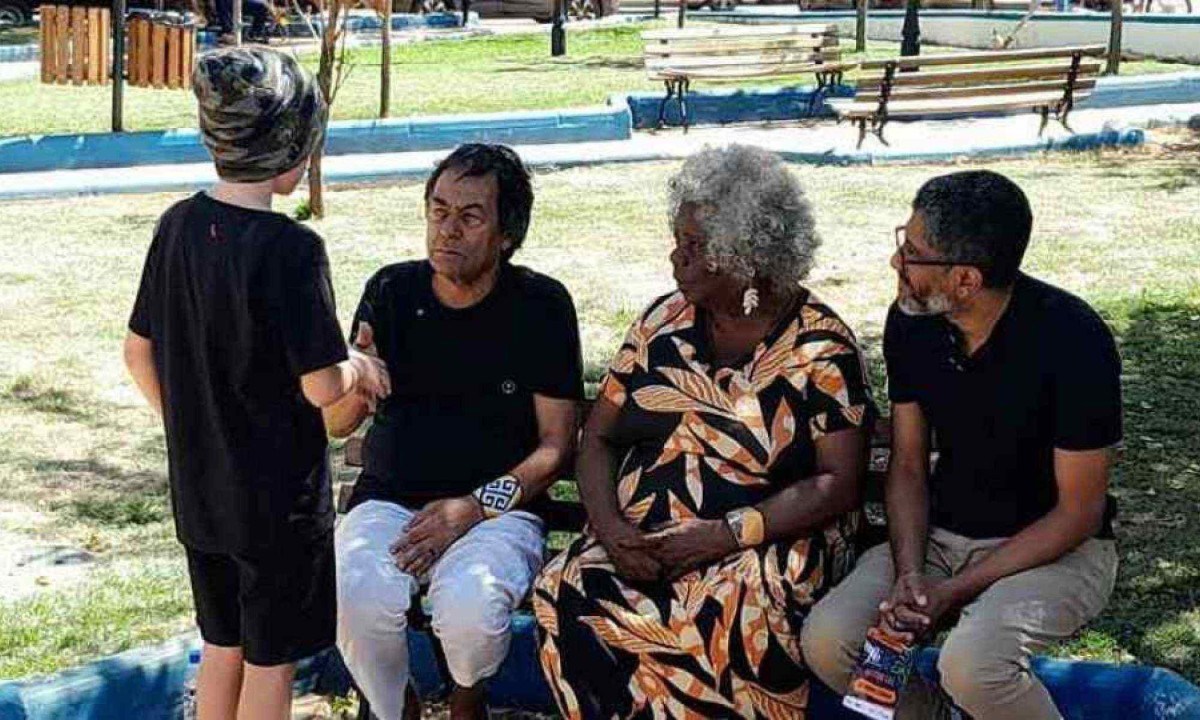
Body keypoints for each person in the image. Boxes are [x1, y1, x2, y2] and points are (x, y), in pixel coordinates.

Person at [532, 145, 876, 719]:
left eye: (695, 247)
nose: (676, 259)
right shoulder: (660, 323)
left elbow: (838, 483)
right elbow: (598, 438)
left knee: (721, 607)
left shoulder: (821, 348)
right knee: (564, 586)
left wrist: (723, 535)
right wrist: (612, 531)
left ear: (748, 252)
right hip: (647, 535)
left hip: (770, 541)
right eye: (678, 241)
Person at [123, 48, 389, 720]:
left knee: (221, 646)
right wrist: (362, 368)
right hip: (277, 508)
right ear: (295, 150)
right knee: (272, 662)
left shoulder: (176, 226)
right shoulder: (292, 250)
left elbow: (136, 353)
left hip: (201, 493)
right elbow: (323, 386)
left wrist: (192, 430)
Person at [801, 170, 1122, 720]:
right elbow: (906, 464)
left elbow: (1078, 512)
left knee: (973, 666)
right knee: (829, 641)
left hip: (1054, 550)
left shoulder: (1073, 340)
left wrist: (956, 590)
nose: (896, 263)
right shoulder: (914, 323)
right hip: (941, 540)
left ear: (966, 280)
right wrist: (909, 573)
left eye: (913, 253)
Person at [328, 143, 585, 720]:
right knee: (355, 593)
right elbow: (338, 424)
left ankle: (469, 698)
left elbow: (555, 447)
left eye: (470, 217)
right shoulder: (392, 292)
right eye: (438, 211)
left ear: (506, 234)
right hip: (388, 503)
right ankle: (397, 706)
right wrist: (354, 381)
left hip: (499, 511)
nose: (448, 230)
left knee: (471, 605)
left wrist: (472, 507)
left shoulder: (541, 306)